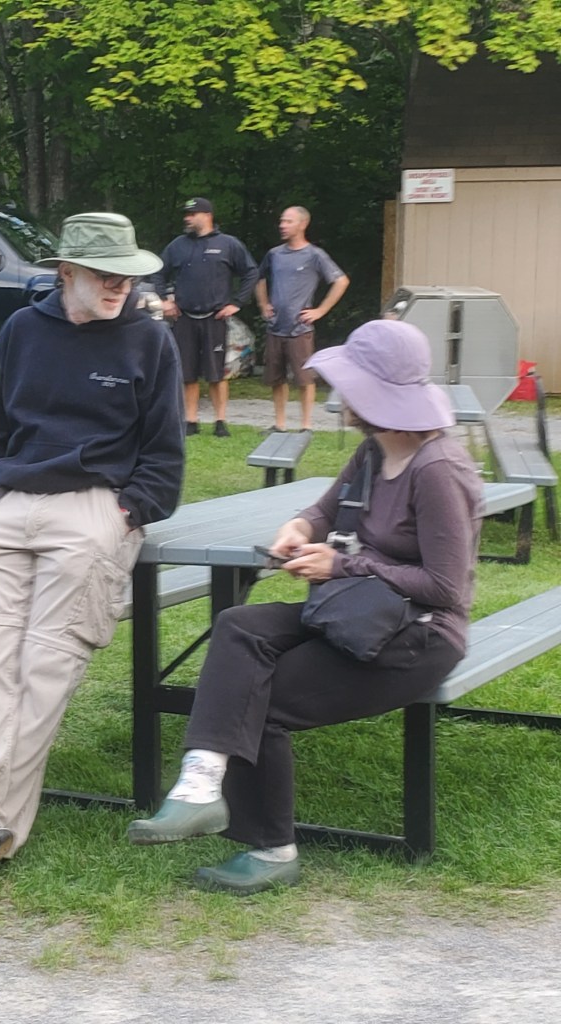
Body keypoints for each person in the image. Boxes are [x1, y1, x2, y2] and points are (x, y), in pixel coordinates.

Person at [127, 319, 482, 895]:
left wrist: (341, 566)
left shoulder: (438, 469)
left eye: (350, 384)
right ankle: (199, 787)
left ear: (377, 394)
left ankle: (273, 851)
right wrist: (299, 527)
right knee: (239, 626)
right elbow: (324, 511)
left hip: (419, 637)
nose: (341, 395)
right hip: (359, 613)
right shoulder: (374, 451)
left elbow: (445, 587)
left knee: (263, 698)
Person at [0, 212, 185, 887]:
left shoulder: (150, 340)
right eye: (105, 274)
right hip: (7, 507)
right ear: (67, 272)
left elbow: (165, 456)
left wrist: (125, 512)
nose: (119, 286)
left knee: (46, 666)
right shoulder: (23, 330)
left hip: (93, 509)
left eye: (127, 275)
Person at [153, 198, 258, 438]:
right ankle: (191, 420)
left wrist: (236, 303)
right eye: (186, 214)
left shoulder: (228, 244)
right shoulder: (177, 245)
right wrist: (165, 300)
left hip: (215, 318)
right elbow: (158, 272)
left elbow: (251, 272)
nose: (187, 218)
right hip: (184, 317)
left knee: (217, 372)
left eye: (192, 214)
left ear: (207, 215)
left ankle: (220, 421)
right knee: (187, 372)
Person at [255, 206, 348, 433]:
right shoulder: (274, 254)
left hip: (300, 329)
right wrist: (263, 304)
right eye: (282, 221)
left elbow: (341, 281)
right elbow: (259, 278)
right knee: (276, 379)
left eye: (288, 221)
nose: (282, 225)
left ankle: (306, 425)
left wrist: (320, 310)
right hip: (275, 326)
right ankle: (280, 424)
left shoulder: (315, 255)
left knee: (305, 379)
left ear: (302, 224)